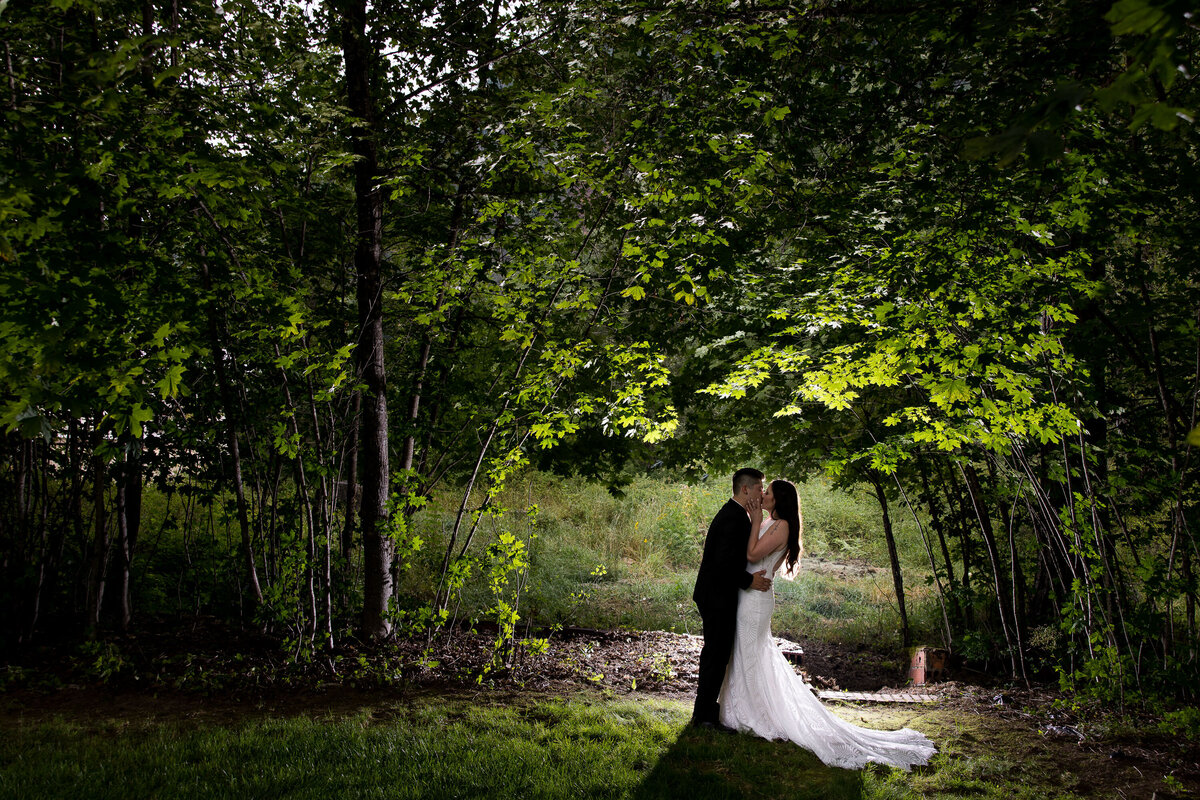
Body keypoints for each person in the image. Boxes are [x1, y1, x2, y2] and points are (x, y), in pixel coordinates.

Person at [718, 478, 936, 770]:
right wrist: (755, 519)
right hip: (748, 594)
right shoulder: (770, 522)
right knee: (746, 653)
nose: (763, 494)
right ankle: (740, 708)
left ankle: (757, 715)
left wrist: (756, 518)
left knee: (752, 654)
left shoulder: (781, 526)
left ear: (778, 499)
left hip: (756, 601)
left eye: (767, 492)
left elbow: (752, 554)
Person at [691, 467, 773, 731]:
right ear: (745, 489)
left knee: (717, 654)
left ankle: (706, 713)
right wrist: (750, 581)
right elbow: (724, 564)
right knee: (716, 655)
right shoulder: (734, 518)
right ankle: (704, 716)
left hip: (718, 593)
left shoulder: (738, 514)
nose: (762, 492)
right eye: (760, 488)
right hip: (716, 596)